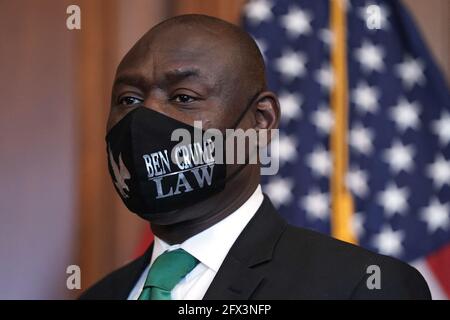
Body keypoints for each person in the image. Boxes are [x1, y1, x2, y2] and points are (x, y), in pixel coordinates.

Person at [80, 14, 431, 300]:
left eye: (184, 97)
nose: (147, 118)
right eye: (129, 100)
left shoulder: (362, 287)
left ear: (260, 121)